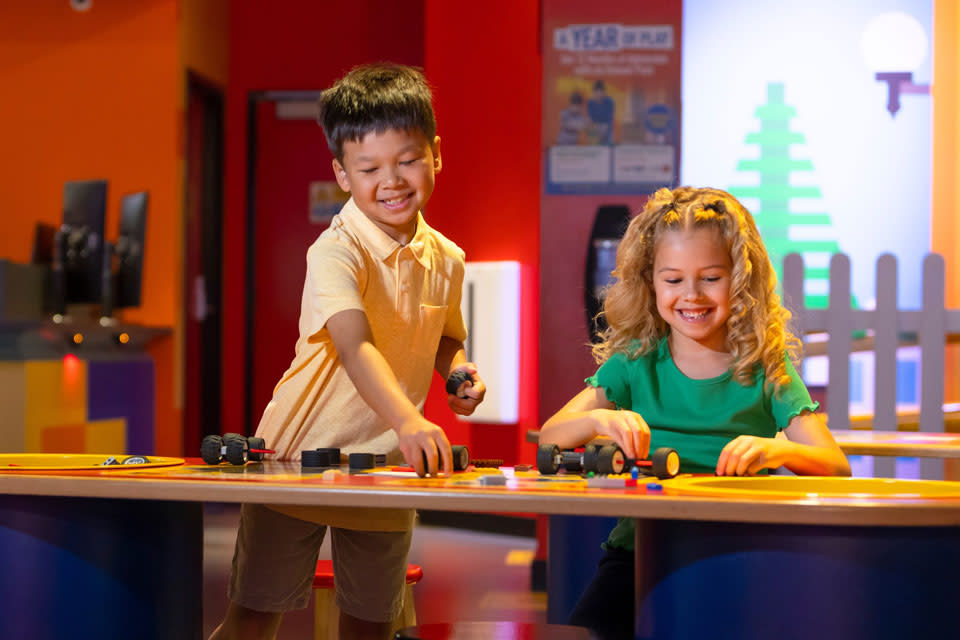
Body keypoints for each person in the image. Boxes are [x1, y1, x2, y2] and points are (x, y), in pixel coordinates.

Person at [208, 63, 486, 640]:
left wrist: (456, 372)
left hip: (385, 468)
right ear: (341, 174)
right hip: (295, 459)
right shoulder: (334, 252)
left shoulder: (449, 258)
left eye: (408, 160)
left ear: (437, 154)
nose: (392, 181)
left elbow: (445, 336)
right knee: (254, 620)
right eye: (369, 168)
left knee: (372, 624)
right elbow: (355, 345)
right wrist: (411, 418)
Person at [539, 186, 850, 639]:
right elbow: (551, 436)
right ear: (651, 283)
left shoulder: (765, 367)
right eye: (673, 280)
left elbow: (834, 465)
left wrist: (774, 451)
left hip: (738, 553)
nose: (692, 295)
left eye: (711, 277)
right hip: (640, 552)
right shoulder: (635, 362)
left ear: (739, 279)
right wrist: (598, 420)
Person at [586, 79, 615, 144]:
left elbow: (609, 120)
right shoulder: (590, 103)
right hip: (595, 130)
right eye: (596, 92)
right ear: (593, 92)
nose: (599, 94)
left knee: (609, 142)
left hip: (607, 130)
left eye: (601, 92)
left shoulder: (609, 102)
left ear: (604, 92)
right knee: (590, 129)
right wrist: (594, 134)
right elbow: (590, 120)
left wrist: (603, 130)